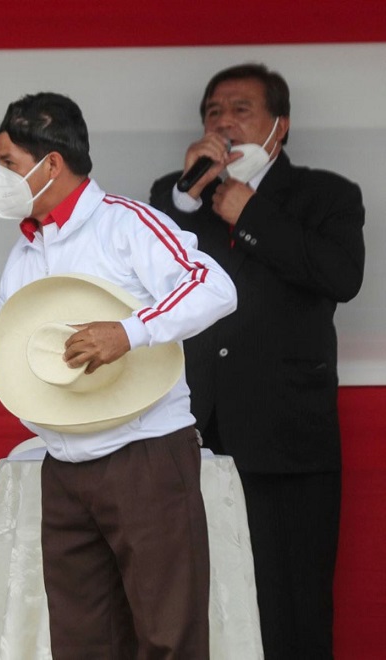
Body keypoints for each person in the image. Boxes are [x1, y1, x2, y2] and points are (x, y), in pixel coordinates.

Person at [0, 92, 237, 659]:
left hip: (145, 456)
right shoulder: (25, 252)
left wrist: (130, 332)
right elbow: (21, 359)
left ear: (51, 164)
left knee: (169, 638)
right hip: (66, 469)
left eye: (7, 164)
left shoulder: (126, 224)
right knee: (83, 644)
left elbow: (214, 286)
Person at [149, 63, 365, 659]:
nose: (223, 121)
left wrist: (252, 216)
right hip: (191, 433)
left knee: (290, 599)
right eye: (213, 112)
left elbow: (341, 277)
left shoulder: (328, 196)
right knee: (196, 597)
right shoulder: (175, 195)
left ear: (280, 127)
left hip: (286, 433)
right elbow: (150, 282)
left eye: (241, 110)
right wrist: (188, 197)